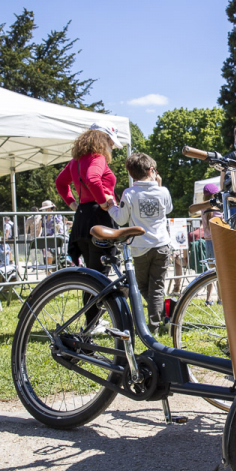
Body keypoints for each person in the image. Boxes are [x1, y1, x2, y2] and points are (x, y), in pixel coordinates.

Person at [108, 153, 173, 332]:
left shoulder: (129, 193)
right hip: (161, 244)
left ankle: (155, 322)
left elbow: (121, 219)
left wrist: (111, 206)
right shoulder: (163, 191)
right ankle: (157, 321)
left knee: (143, 285)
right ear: (151, 170)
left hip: (140, 247)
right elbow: (168, 209)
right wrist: (159, 185)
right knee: (157, 286)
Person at [55, 123, 122, 271]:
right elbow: (92, 179)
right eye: (111, 141)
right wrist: (103, 202)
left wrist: (73, 204)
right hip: (99, 218)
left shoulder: (75, 161)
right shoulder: (98, 158)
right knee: (100, 274)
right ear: (104, 139)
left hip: (82, 219)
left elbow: (60, 183)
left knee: (91, 276)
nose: (112, 146)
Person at [189, 183, 222, 305]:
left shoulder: (203, 206)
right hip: (219, 241)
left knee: (211, 272)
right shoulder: (218, 206)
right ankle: (220, 298)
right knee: (219, 272)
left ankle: (209, 298)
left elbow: (191, 208)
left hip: (208, 241)